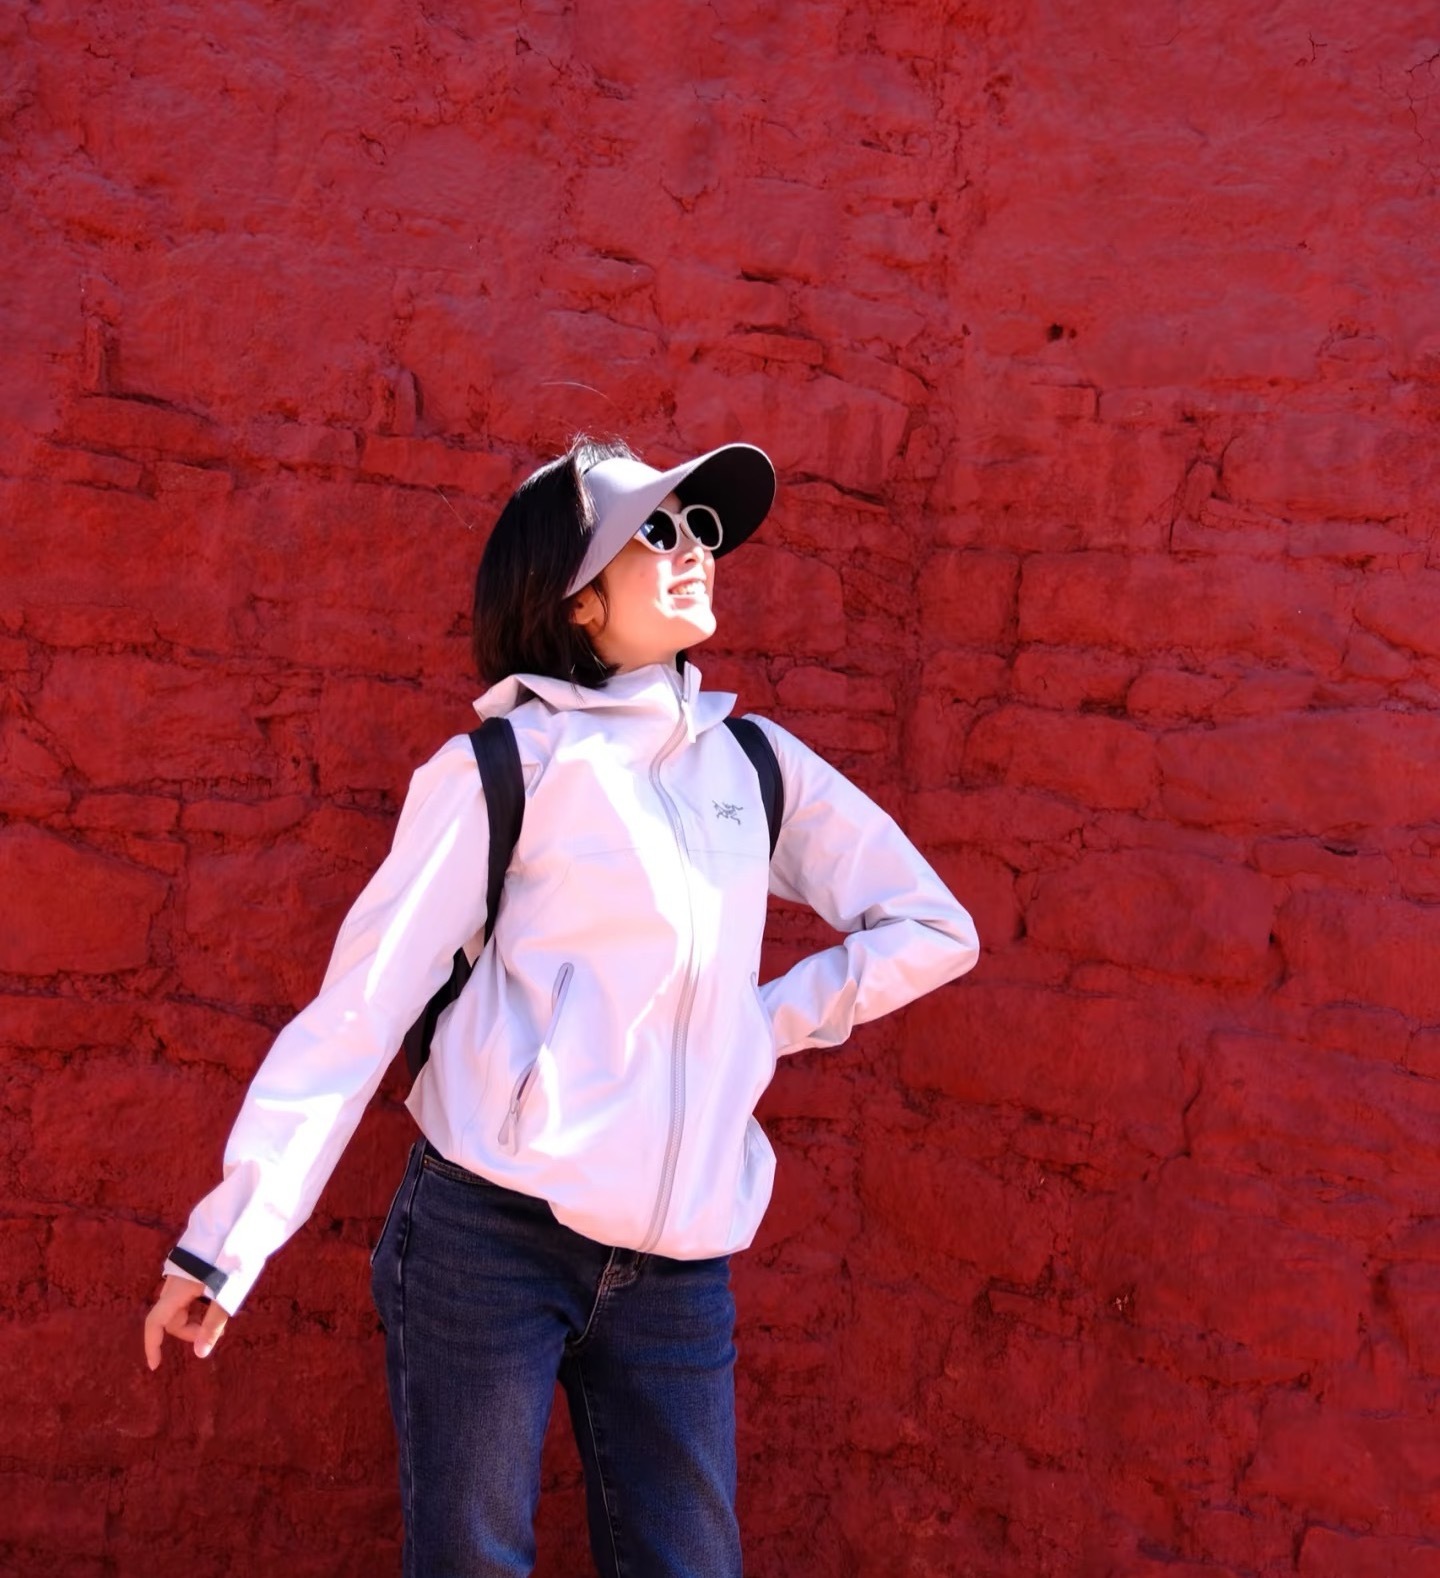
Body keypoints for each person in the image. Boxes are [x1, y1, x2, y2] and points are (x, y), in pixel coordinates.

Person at [143, 434, 980, 1578]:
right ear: (576, 601)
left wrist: (764, 1021)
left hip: (678, 1267)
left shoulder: (758, 768)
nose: (696, 550)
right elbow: (362, 1009)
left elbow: (932, 927)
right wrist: (224, 1244)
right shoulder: (509, 767)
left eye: (703, 529)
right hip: (488, 1240)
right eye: (658, 531)